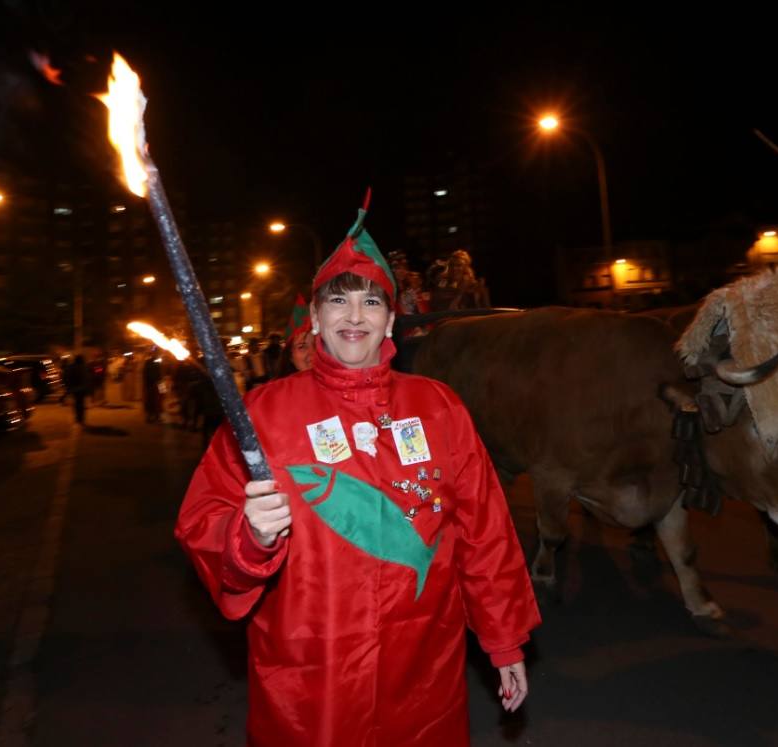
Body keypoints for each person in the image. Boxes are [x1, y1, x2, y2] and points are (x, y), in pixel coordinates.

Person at [175, 199, 540, 746]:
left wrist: (503, 640)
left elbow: (484, 535)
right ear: (316, 318)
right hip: (310, 677)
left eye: (371, 302)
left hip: (421, 671)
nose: (354, 317)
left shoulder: (439, 406)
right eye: (338, 302)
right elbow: (202, 520)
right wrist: (249, 539)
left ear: (391, 319)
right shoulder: (263, 413)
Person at [66, 354, 91, 425]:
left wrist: (69, 388)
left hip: (74, 389)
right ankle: (81, 418)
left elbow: (67, 378)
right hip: (82, 389)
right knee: (81, 404)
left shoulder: (71, 367)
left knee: (76, 404)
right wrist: (88, 390)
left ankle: (78, 417)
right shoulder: (84, 367)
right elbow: (87, 379)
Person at [142, 353, 163, 423]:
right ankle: (150, 416)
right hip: (151, 384)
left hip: (158, 383)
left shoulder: (158, 363)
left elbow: (161, 374)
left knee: (158, 401)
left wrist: (163, 390)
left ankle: (157, 416)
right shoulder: (148, 363)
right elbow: (145, 374)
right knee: (150, 400)